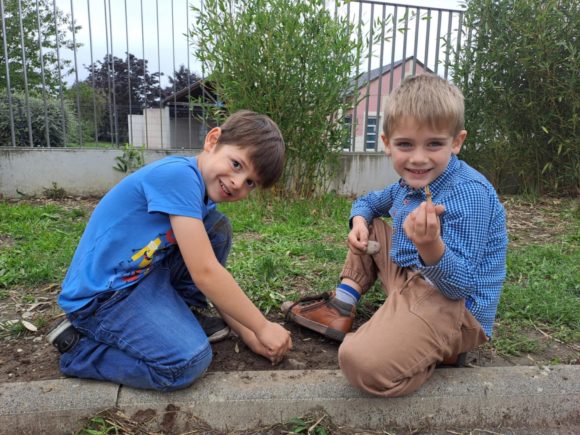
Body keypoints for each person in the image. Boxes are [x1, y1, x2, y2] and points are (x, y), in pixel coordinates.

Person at [287, 74, 507, 397]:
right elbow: (368, 202)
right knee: (372, 225)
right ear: (387, 143)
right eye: (405, 144)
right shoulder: (408, 183)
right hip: (413, 278)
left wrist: (430, 246)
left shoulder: (468, 195)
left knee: (357, 360)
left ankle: (440, 350)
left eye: (434, 144)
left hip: (455, 309)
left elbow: (460, 286)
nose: (418, 158)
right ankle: (341, 308)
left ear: (456, 142)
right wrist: (358, 222)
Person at [47, 110, 292, 391]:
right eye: (237, 164)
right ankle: (81, 351)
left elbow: (211, 274)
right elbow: (206, 272)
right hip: (102, 298)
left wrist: (248, 334)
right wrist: (262, 327)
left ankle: (182, 312)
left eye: (250, 183)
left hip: (141, 276)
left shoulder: (201, 194)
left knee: (215, 228)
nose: (238, 183)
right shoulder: (179, 177)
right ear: (213, 140)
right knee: (186, 363)